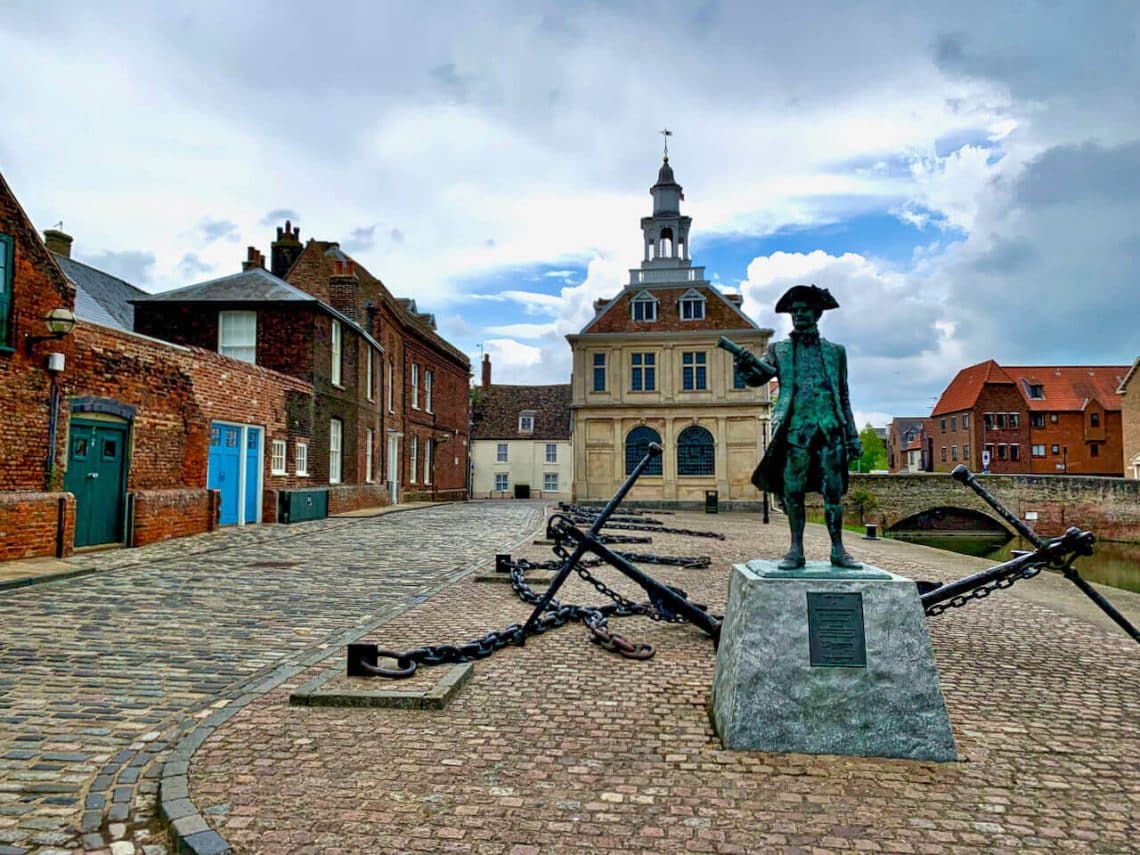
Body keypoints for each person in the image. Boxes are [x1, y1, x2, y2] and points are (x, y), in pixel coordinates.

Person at [734, 284, 863, 570]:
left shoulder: (836, 352)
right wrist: (743, 365)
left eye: (804, 310)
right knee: (792, 490)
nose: (799, 315)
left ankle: (838, 550)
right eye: (795, 311)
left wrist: (852, 436)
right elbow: (759, 377)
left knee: (833, 492)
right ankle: (796, 549)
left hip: (830, 428)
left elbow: (843, 395)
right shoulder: (778, 349)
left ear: (817, 313)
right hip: (795, 429)